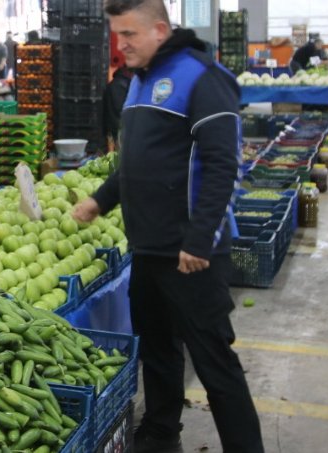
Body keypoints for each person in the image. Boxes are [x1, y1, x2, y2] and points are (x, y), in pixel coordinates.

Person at [72, 1, 265, 452]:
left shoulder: (202, 77)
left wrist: (199, 238)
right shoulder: (140, 81)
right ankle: (161, 430)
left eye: (129, 35)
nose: (121, 46)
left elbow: (221, 163)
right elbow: (139, 161)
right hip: (150, 249)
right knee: (158, 351)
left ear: (159, 30)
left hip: (191, 255)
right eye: (117, 36)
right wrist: (100, 200)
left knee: (215, 362)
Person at [102, 65, 133, 150]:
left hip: (117, 129)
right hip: (119, 130)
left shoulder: (119, 84)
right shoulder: (119, 86)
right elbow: (119, 112)